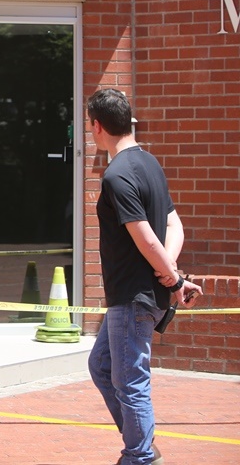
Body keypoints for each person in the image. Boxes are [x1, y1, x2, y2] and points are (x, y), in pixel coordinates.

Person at [86, 89, 202, 465]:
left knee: (130, 382)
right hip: (137, 295)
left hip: (134, 297)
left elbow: (147, 237)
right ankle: (143, 442)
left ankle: (140, 456)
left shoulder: (117, 175)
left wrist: (173, 278)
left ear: (97, 126)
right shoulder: (150, 163)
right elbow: (174, 225)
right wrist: (169, 270)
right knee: (102, 366)